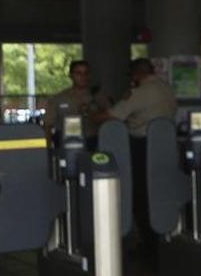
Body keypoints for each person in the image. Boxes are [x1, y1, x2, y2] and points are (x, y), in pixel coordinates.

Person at [95, 58, 178, 254]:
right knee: (161, 192)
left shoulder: (140, 92)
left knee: (140, 193)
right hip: (166, 147)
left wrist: (88, 115)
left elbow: (112, 115)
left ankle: (148, 242)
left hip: (143, 147)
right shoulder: (167, 89)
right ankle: (164, 236)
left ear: (135, 74)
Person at [43, 60, 110, 144]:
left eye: (86, 73)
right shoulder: (59, 99)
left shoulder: (99, 98)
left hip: (92, 141)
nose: (83, 76)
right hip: (64, 142)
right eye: (78, 73)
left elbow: (110, 119)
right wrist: (47, 148)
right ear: (71, 75)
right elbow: (47, 125)